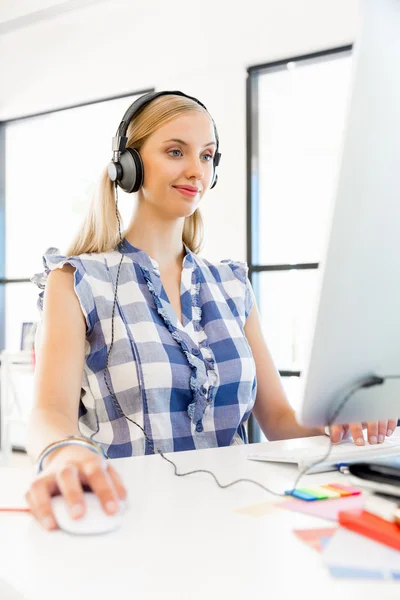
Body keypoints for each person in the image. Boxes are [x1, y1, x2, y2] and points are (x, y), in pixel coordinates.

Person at [25, 90, 397, 531]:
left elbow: (278, 420)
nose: (195, 170)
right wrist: (65, 450)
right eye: (175, 151)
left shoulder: (232, 285)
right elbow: (50, 412)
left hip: (236, 522)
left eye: (207, 155)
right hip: (130, 521)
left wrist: (343, 424)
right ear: (129, 166)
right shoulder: (77, 279)